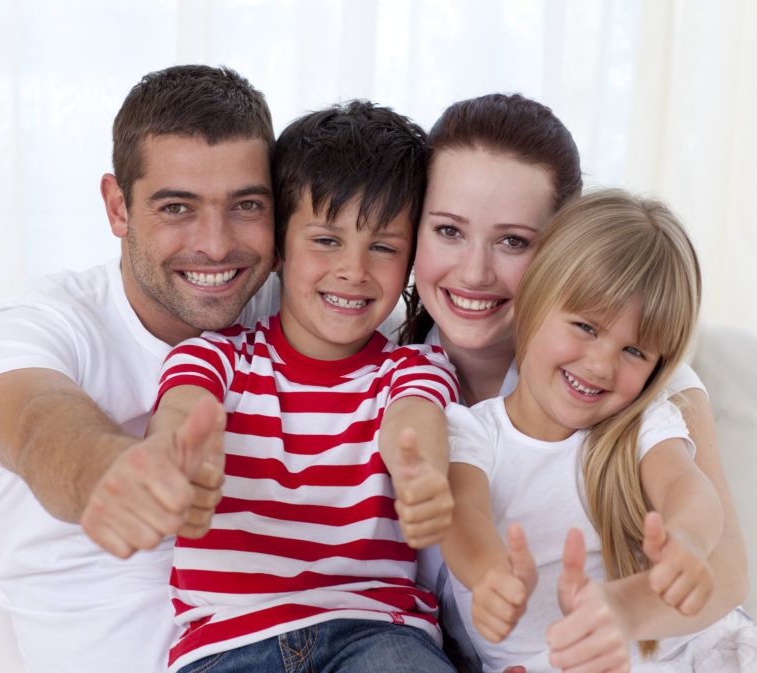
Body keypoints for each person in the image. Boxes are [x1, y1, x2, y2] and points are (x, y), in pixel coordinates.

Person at [405, 94, 750, 672]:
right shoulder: (404, 386)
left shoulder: (643, 392)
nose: (474, 272)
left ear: (559, 254)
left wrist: (635, 598)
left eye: (513, 240)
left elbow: (716, 547)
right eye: (448, 230)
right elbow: (462, 521)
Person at [0, 65, 282, 673]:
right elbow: (32, 421)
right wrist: (111, 471)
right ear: (118, 207)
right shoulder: (41, 323)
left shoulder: (302, 311)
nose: (214, 245)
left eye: (245, 206)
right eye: (177, 207)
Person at [148, 99, 461, 673]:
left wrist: (420, 472)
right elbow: (182, 406)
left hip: (377, 631)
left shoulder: (414, 368)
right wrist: (175, 456)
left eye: (384, 247)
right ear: (277, 249)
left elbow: (413, 422)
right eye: (326, 240)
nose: (355, 269)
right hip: (229, 643)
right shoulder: (215, 356)